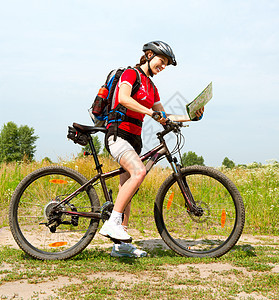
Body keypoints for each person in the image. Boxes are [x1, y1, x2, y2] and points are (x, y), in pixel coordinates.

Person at [99, 41, 204, 257]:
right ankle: (112, 223)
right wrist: (150, 113)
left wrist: (191, 117)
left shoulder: (152, 87)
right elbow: (123, 98)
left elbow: (163, 116)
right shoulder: (131, 74)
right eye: (161, 61)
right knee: (139, 171)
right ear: (149, 55)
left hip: (135, 140)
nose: (163, 66)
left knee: (126, 192)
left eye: (165, 64)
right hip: (118, 135)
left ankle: (120, 246)